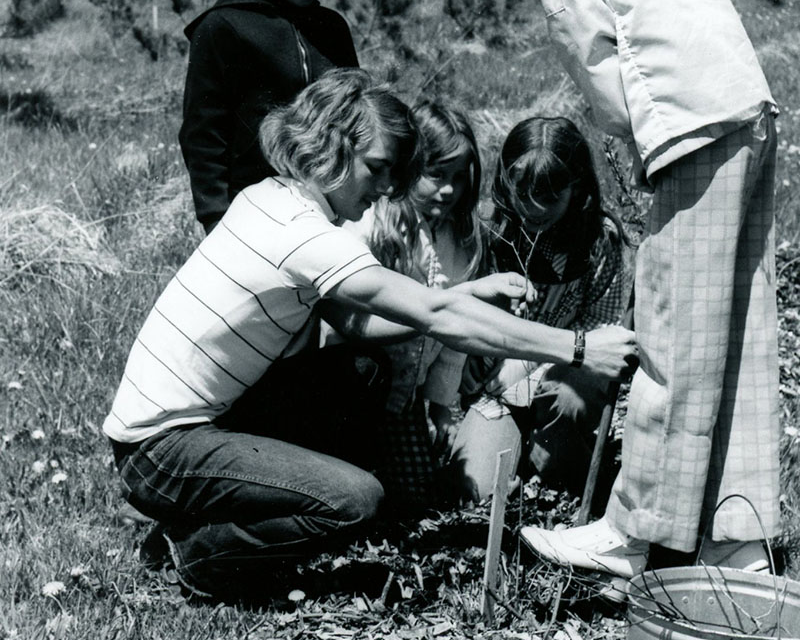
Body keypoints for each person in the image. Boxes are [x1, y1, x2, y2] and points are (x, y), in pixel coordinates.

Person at [103, 69, 637, 601]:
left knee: (355, 370)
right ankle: (202, 554)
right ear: (330, 146)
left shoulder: (271, 198)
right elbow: (432, 315)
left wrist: (464, 297)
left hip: (179, 429)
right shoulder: (307, 235)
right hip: (162, 449)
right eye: (377, 168)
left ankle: (209, 509)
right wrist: (579, 347)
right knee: (355, 500)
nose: (386, 187)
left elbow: (362, 321)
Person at [485, 0, 779, 582]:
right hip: (743, 104)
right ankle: (738, 536)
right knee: (739, 335)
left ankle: (635, 528)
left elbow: (582, 32)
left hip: (683, 119)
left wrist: (623, 131)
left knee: (673, 332)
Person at [452, 115, 629, 502]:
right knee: (475, 489)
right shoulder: (490, 229)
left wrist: (525, 362)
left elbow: (598, 330)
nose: (534, 209)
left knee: (563, 404)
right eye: (524, 194)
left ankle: (564, 466)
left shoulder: (597, 240)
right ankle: (525, 450)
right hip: (493, 385)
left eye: (550, 197)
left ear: (576, 186)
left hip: (563, 371)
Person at [321, 100, 484, 510]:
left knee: (417, 498)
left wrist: (441, 405)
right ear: (409, 168)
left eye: (458, 178)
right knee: (356, 489)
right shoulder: (374, 223)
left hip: (403, 400)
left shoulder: (456, 241)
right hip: (354, 385)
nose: (448, 190)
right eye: (436, 174)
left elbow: (451, 340)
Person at [179, 0, 362, 233]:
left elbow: (356, 120)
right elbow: (203, 138)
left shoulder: (332, 29)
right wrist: (218, 222)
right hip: (250, 217)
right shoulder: (225, 27)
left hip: (330, 215)